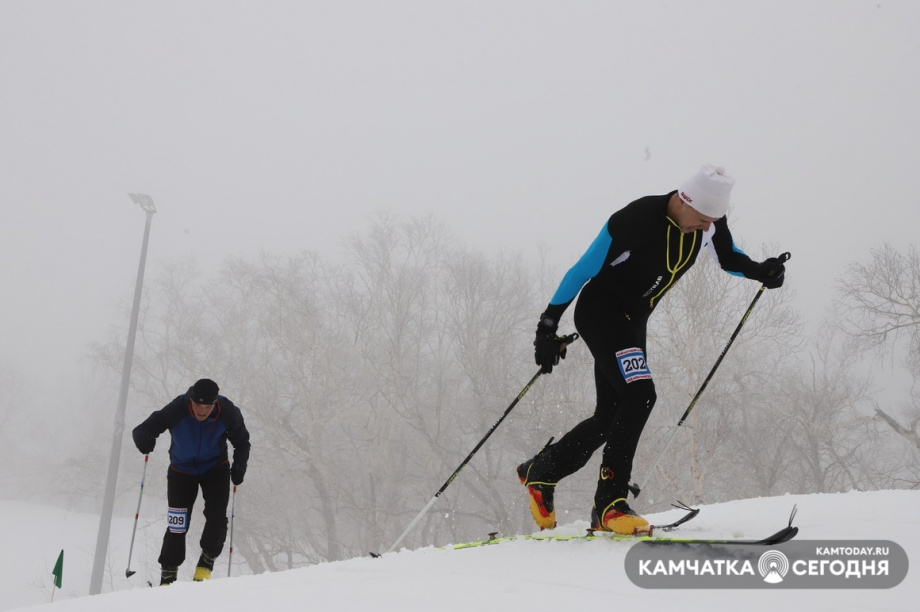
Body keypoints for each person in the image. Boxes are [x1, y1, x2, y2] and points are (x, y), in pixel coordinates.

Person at [516, 164, 785, 535]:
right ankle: (610, 503)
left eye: (714, 221)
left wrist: (761, 271)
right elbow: (581, 270)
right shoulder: (635, 219)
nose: (707, 227)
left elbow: (728, 257)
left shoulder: (708, 223)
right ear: (684, 199)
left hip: (632, 321)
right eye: (703, 219)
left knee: (610, 415)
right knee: (641, 395)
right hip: (601, 313)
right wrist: (547, 327)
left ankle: (542, 472)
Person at [133, 378, 251, 585]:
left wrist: (240, 466)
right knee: (177, 525)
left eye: (207, 406)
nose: (202, 411)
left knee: (216, 518)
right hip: (181, 471)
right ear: (191, 400)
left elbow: (242, 443)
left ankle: (205, 565)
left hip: (215, 469)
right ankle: (168, 576)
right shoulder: (177, 408)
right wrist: (144, 438)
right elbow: (143, 429)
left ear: (215, 403)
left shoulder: (227, 411)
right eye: (198, 405)